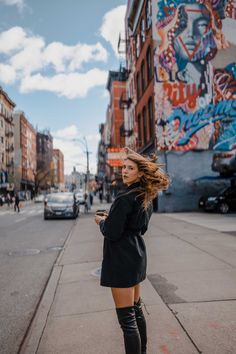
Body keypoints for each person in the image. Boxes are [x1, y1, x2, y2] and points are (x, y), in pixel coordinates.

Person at [94, 148, 170, 354]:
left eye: (130, 168)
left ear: (140, 172)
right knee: (135, 312)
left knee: (127, 321)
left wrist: (102, 221)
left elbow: (112, 233)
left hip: (121, 261)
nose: (124, 171)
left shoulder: (124, 198)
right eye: (123, 167)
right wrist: (113, 220)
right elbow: (141, 228)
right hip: (136, 257)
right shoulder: (145, 196)